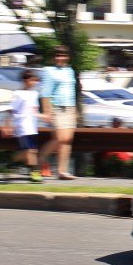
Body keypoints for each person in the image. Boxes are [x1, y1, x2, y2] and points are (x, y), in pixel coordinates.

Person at [38, 45, 78, 180]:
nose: (60, 58)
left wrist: (75, 110)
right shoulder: (48, 70)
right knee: (60, 138)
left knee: (67, 140)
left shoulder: (70, 71)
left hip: (69, 107)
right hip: (56, 107)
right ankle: (40, 159)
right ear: (54, 57)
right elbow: (45, 92)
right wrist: (46, 111)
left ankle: (62, 171)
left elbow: (72, 90)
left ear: (68, 57)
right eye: (58, 55)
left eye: (63, 55)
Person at [2, 69, 43, 183]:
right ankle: (34, 173)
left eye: (36, 80)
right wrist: (7, 125)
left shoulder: (34, 94)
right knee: (32, 150)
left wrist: (43, 117)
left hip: (32, 126)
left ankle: (9, 165)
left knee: (26, 152)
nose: (35, 82)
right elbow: (12, 110)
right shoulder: (18, 94)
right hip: (22, 126)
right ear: (26, 81)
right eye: (32, 80)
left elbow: (34, 110)